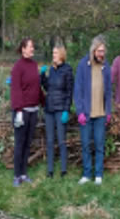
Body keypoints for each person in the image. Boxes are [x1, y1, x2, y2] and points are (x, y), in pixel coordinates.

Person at [74, 35, 112, 185]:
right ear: (93, 50)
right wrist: (80, 112)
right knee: (85, 144)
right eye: (99, 51)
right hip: (86, 114)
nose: (101, 54)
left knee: (99, 145)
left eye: (103, 51)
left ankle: (98, 174)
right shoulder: (83, 65)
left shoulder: (106, 66)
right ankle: (86, 174)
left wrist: (108, 111)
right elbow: (77, 90)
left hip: (101, 114)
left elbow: (108, 91)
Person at [10, 38, 44, 187]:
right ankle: (17, 175)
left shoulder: (34, 65)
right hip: (22, 111)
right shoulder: (18, 67)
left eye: (33, 47)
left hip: (33, 111)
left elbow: (36, 88)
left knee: (27, 144)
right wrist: (18, 111)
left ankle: (24, 173)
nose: (32, 49)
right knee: (20, 144)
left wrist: (44, 102)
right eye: (30, 47)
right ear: (23, 49)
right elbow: (15, 90)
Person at [41, 45, 73, 179]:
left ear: (61, 55)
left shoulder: (67, 70)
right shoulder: (52, 70)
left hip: (60, 110)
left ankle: (63, 170)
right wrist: (42, 76)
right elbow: (48, 87)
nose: (53, 55)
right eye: (53, 52)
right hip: (49, 109)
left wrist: (66, 110)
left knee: (61, 141)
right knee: (49, 141)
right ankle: (50, 170)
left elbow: (69, 92)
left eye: (55, 53)